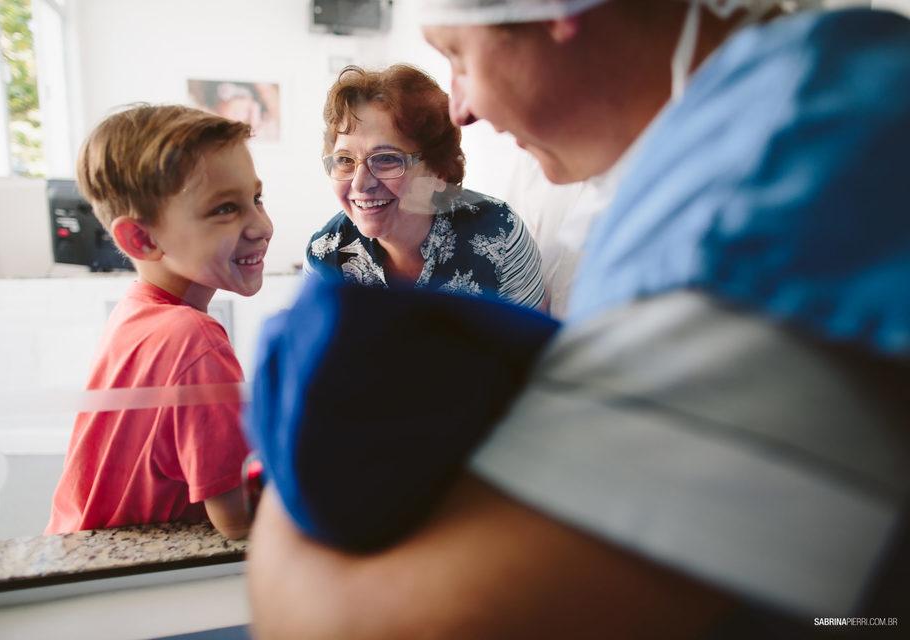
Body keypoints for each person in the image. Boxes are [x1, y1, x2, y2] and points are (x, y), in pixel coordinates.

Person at [246, 1, 910, 637]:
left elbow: (376, 627)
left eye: (460, 55)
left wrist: (294, 452)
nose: (462, 108)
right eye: (344, 158)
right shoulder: (786, 118)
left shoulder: (780, 183)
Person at [46, 104, 274, 540]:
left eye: (256, 198)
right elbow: (238, 521)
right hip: (125, 589)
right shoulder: (193, 339)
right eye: (226, 208)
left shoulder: (137, 310)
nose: (261, 225)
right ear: (142, 238)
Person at [304, 64, 546, 309]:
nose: (360, 183)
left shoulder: (499, 234)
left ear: (438, 170)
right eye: (345, 160)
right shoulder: (325, 255)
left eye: (387, 158)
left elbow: (535, 345)